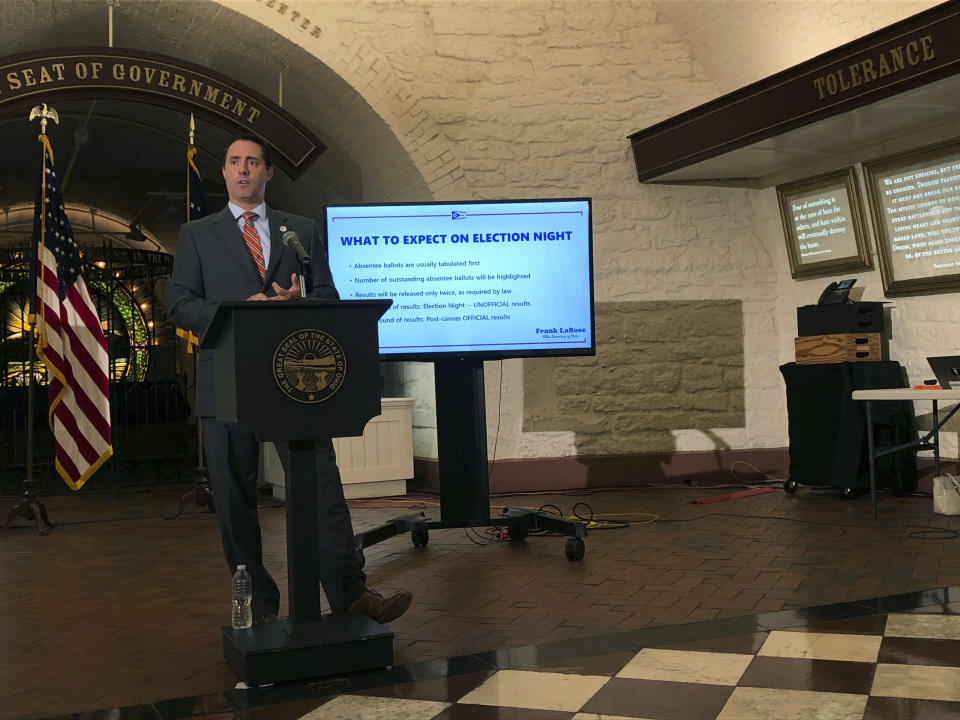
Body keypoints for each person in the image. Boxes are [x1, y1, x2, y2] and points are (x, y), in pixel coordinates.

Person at [166, 132, 412, 625]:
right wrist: (240, 309)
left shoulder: (298, 230)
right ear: (225, 173)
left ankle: (350, 593)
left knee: (321, 486)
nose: (243, 170)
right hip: (227, 386)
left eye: (253, 162)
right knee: (235, 503)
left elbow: (328, 295)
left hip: (297, 387)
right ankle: (256, 603)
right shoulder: (198, 234)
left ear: (268, 172)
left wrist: (295, 302)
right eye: (234, 162)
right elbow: (180, 304)